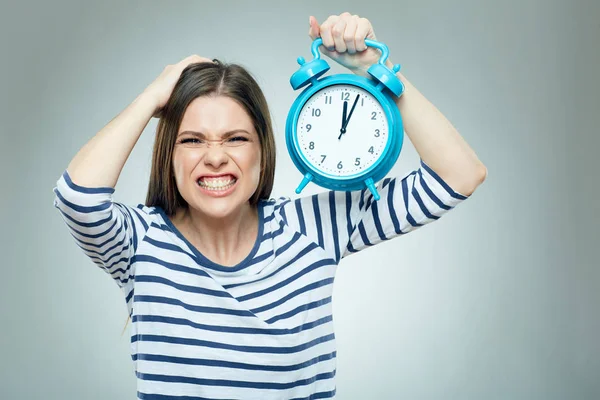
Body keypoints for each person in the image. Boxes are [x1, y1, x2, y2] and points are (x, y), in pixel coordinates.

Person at [52, 12, 486, 399]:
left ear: (264, 151)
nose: (215, 157)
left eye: (236, 139)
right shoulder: (141, 243)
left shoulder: (312, 226)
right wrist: (152, 97)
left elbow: (459, 175)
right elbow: (77, 197)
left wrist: (375, 69)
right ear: (169, 152)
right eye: (192, 140)